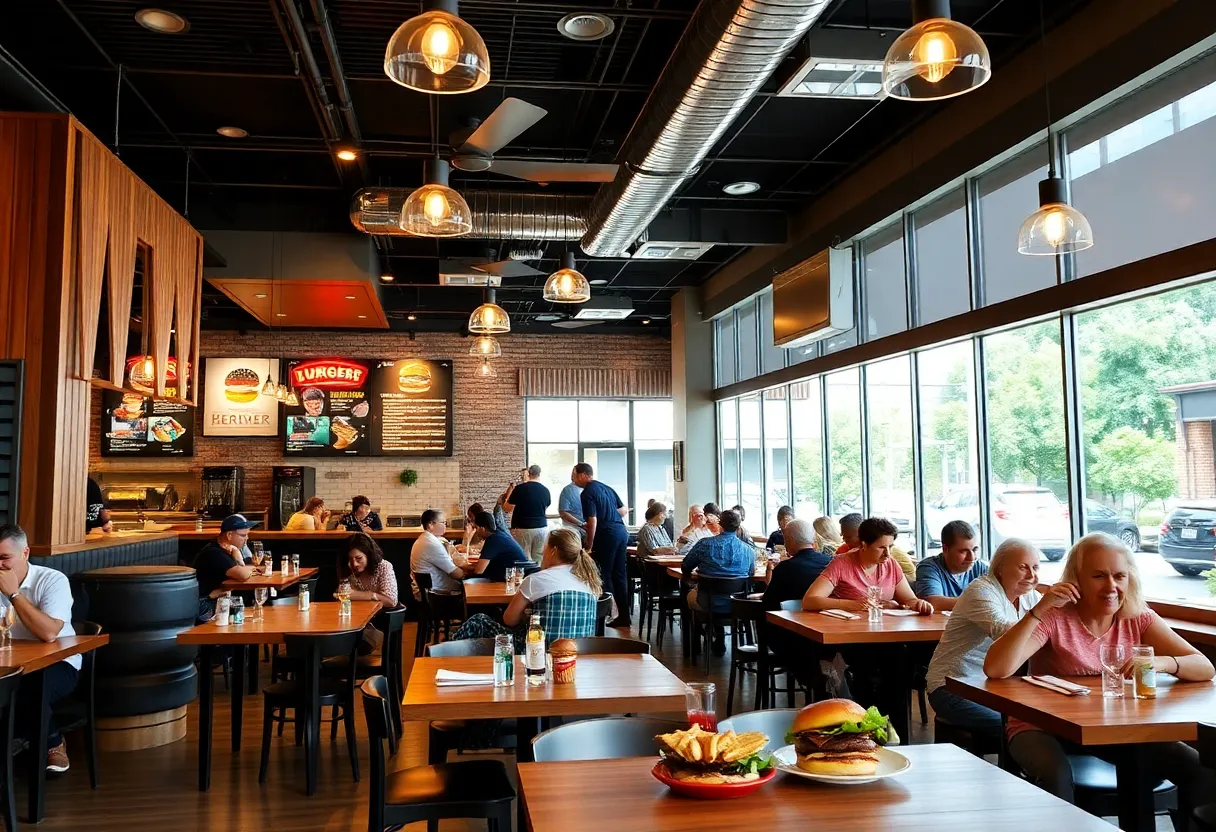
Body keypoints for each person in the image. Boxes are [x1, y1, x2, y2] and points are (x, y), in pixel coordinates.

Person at [985, 533, 1215, 813]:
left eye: (1119, 576)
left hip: (1113, 730)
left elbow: (1204, 667)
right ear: (1076, 579)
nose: (1111, 586)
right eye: (1098, 576)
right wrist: (1039, 608)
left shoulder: (1137, 616)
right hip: (1042, 727)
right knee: (1056, 776)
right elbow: (996, 669)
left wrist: (1163, 662)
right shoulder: (1055, 618)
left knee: (1196, 768)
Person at [925, 539, 1042, 744]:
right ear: (999, 568)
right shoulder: (981, 590)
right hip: (952, 686)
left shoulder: (1030, 597)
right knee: (1017, 729)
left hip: (996, 689)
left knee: (1039, 727)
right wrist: (1041, 614)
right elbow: (1003, 632)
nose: (1031, 576)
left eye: (1035, 567)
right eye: (1023, 567)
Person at [0, 525, 79, 773]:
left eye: (4, 558)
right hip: (11, 662)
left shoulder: (52, 580)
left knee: (31, 687)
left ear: (25, 553)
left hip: (58, 662)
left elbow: (48, 633)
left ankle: (51, 742)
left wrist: (14, 594)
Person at [451, 529, 602, 648]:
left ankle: (444, 659)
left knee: (479, 621)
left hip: (537, 651)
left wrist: (525, 616)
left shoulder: (536, 580)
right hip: (578, 652)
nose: (543, 552)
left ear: (553, 551)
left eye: (545, 547)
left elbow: (509, 620)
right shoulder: (590, 582)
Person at [801, 517, 933, 614]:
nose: (887, 553)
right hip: (849, 632)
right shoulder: (841, 564)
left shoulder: (891, 564)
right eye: (881, 547)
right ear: (864, 545)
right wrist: (855, 605)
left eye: (890, 547)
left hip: (886, 629)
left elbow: (909, 599)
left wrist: (919, 604)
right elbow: (810, 601)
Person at [683, 510, 755, 655]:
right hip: (738, 605)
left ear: (720, 525)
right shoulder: (748, 551)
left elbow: (686, 566)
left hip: (707, 602)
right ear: (738, 527)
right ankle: (724, 638)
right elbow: (751, 574)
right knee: (717, 595)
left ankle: (694, 647)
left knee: (689, 595)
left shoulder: (705, 544)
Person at [578, 462, 631, 628]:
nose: (573, 479)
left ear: (583, 475)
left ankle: (607, 613)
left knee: (604, 574)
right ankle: (624, 616)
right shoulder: (606, 488)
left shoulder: (587, 493)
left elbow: (592, 520)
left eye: (574, 475)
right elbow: (623, 510)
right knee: (619, 575)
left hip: (607, 534)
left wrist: (589, 544)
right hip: (621, 531)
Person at [336, 534, 398, 652]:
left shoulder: (383, 567)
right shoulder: (348, 569)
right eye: (350, 560)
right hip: (351, 623)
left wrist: (359, 595)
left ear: (369, 555)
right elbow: (341, 594)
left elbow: (391, 600)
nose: (354, 564)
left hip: (375, 625)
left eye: (358, 558)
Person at [190, 514, 258, 618]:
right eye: (243, 535)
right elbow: (243, 574)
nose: (247, 538)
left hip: (213, 600)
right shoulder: (214, 552)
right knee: (244, 612)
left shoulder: (225, 549)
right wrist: (240, 559)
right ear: (229, 535)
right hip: (202, 606)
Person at [914, 520, 987, 611]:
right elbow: (932, 602)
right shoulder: (928, 567)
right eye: (963, 551)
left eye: (975, 550)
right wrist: (982, 602)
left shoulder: (981, 567)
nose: (972, 557)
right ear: (945, 549)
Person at [762, 519, 833, 609]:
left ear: (790, 540)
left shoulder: (784, 568)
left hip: (788, 619)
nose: (784, 544)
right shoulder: (831, 562)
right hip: (825, 617)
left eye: (785, 539)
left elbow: (768, 603)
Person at [409, 509, 469, 593]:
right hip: (437, 594)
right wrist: (471, 572)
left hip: (428, 590)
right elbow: (455, 574)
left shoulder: (425, 539)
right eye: (443, 522)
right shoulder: (432, 544)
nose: (446, 525)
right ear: (430, 525)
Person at [504, 465, 551, 562]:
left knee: (523, 558)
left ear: (528, 474)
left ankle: (525, 577)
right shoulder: (546, 490)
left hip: (522, 528)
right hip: (541, 527)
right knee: (538, 559)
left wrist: (508, 495)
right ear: (539, 474)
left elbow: (507, 508)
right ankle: (537, 576)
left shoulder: (519, 489)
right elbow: (546, 506)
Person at [469, 511, 529, 582]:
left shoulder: (493, 539)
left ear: (483, 528)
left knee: (468, 581)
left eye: (476, 528)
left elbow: (479, 571)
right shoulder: (498, 533)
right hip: (514, 574)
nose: (475, 531)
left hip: (514, 579)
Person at [557, 468, 585, 538]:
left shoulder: (589, 489)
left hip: (587, 528)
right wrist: (581, 524)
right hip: (573, 530)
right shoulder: (567, 490)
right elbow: (563, 513)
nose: (572, 476)